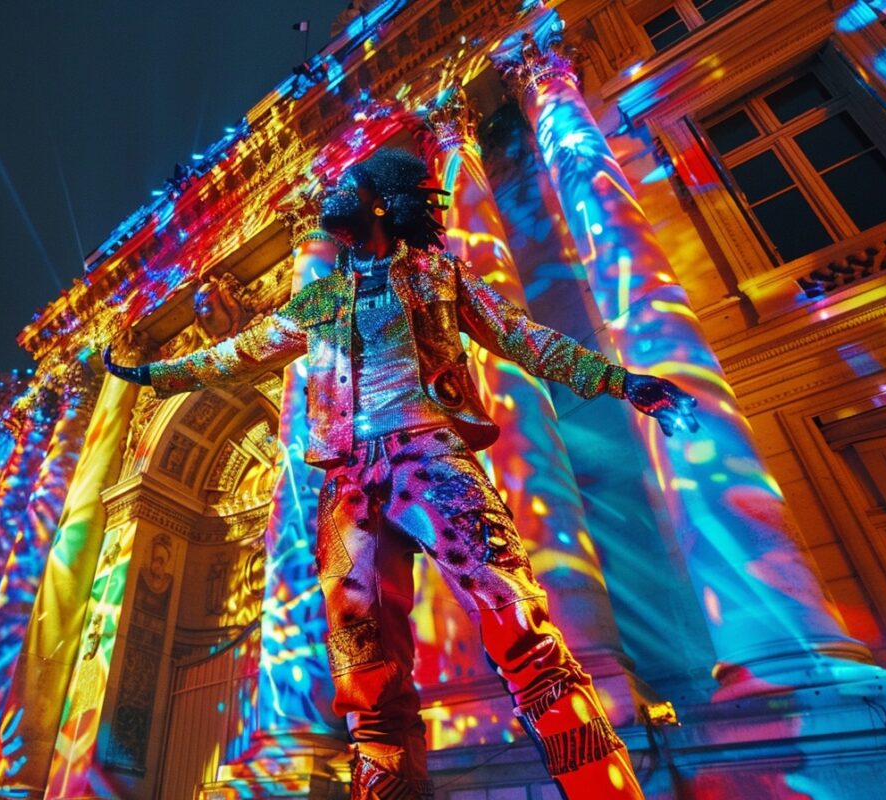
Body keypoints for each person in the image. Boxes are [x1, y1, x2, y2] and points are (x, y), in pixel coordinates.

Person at [103, 148, 697, 799]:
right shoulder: (322, 296)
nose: (333, 192)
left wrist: (619, 380)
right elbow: (244, 350)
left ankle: (602, 789)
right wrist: (156, 375)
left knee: (521, 631)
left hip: (431, 455)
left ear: (381, 200)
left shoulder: (439, 273)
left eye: (346, 184)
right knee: (366, 677)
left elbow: (524, 338)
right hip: (347, 481)